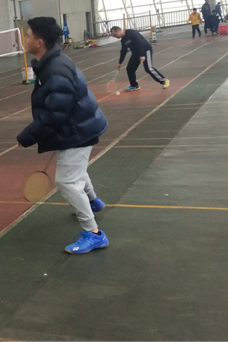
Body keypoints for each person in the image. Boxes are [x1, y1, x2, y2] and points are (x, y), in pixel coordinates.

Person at [16, 17, 109, 254]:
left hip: (78, 130)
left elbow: (55, 114)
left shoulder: (54, 70)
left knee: (67, 181)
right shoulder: (51, 62)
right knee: (76, 171)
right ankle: (93, 201)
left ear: (39, 42)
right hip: (80, 125)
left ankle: (94, 234)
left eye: (28, 36)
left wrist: (27, 136)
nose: (25, 39)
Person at [110, 26, 170, 92]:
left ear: (119, 31)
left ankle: (164, 80)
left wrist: (142, 55)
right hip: (136, 54)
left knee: (148, 68)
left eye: (115, 35)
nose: (115, 37)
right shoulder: (123, 40)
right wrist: (120, 62)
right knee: (130, 69)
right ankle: (134, 85)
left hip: (145, 50)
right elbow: (123, 51)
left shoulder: (131, 33)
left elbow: (140, 43)